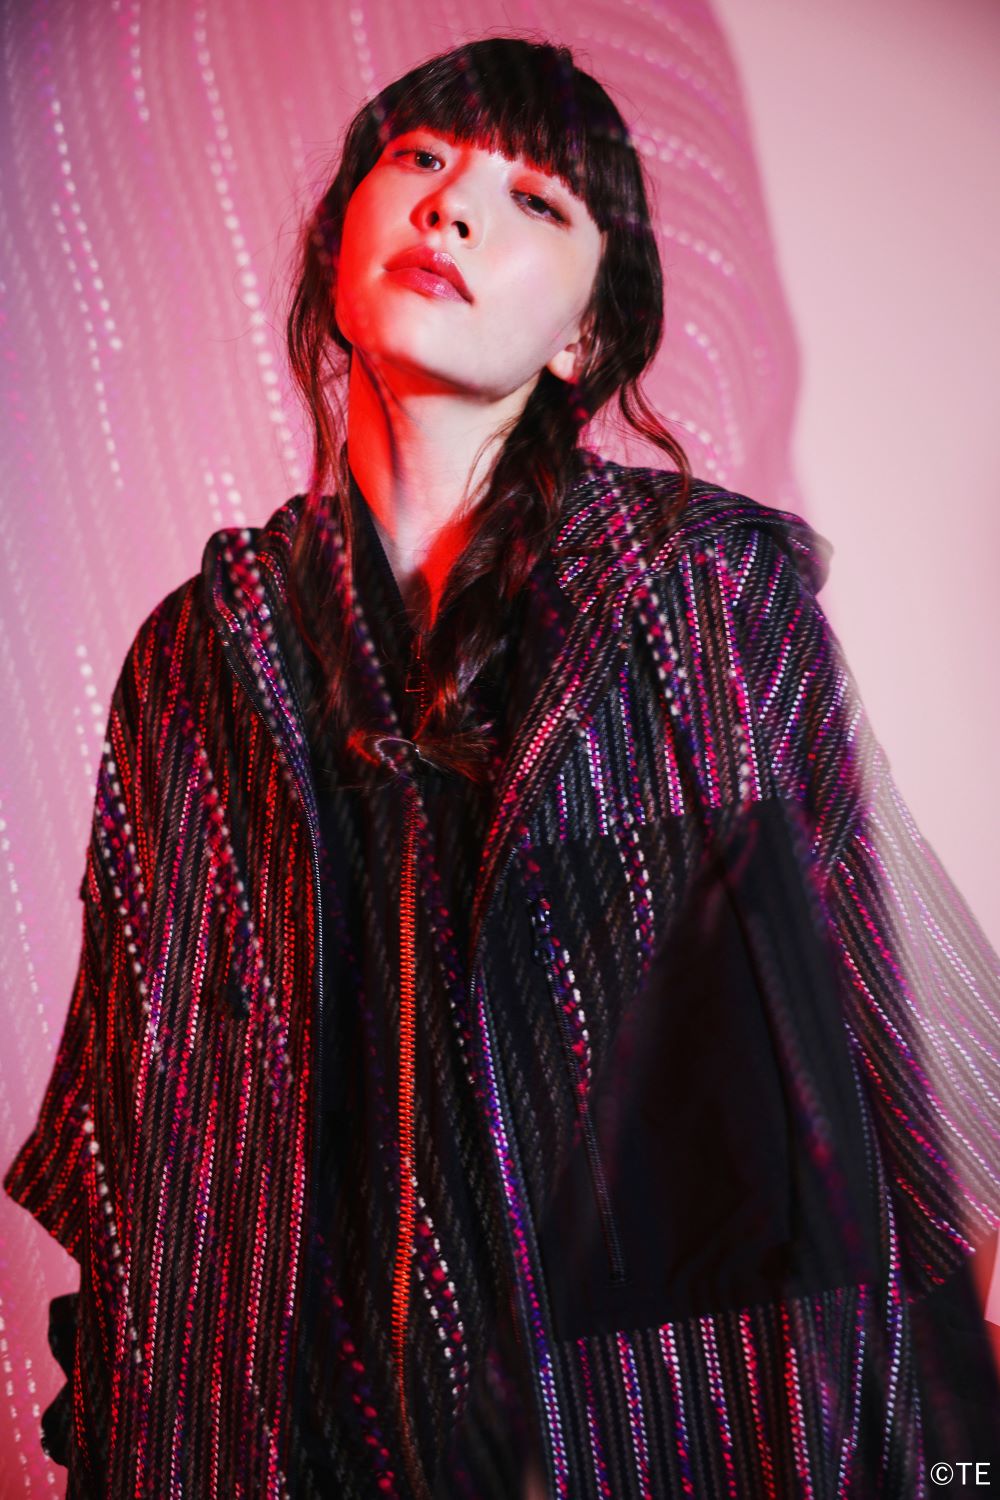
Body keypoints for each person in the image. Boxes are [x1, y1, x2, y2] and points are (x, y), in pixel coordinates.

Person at [5, 34, 1000, 1499]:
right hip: (283, 1425)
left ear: (584, 339)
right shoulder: (198, 652)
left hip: (638, 1428)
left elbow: (866, 986)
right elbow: (139, 1116)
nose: (451, 208)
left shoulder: (700, 596)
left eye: (535, 199)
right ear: (337, 237)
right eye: (419, 160)